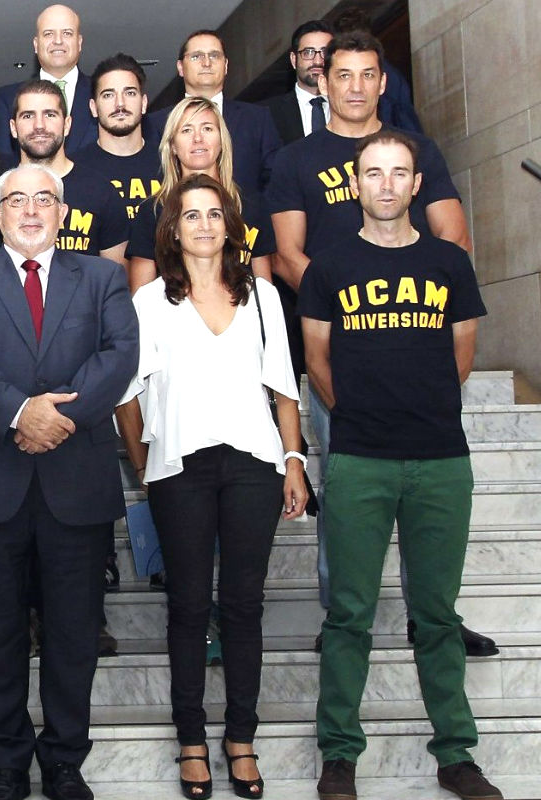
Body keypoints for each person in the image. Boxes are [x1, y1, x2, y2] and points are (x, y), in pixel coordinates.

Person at [265, 31, 496, 658]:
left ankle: (433, 618)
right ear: (322, 81)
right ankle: (344, 620)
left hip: (418, 346)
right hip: (340, 347)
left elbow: (452, 240)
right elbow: (287, 255)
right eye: (343, 75)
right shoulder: (295, 161)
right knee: (343, 495)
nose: (357, 86)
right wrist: (345, 301)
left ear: (382, 82)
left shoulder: (417, 152)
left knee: (432, 504)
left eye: (369, 74)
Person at [300, 129, 502, 800]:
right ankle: (339, 753)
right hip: (360, 459)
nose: (386, 183)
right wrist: (360, 418)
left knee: (438, 614)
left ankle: (455, 753)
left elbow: (462, 356)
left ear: (417, 184)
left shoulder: (450, 263)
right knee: (350, 613)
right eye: (374, 172)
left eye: (399, 173)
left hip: (442, 459)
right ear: (357, 184)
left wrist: (424, 411)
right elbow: (319, 361)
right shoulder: (328, 267)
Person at [0, 162, 136, 800]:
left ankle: (66, 760)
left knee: (74, 633)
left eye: (44, 199)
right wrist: (21, 413)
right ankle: (8, 763)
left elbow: (120, 355)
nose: (30, 210)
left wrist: (54, 417)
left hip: (75, 481)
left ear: (64, 212)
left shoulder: (101, 277)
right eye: (16, 199)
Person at [115, 174, 307, 800]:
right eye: (190, 215)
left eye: (214, 214)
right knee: (190, 606)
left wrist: (294, 459)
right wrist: (144, 460)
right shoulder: (149, 302)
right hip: (180, 471)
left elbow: (282, 385)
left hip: (255, 464)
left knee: (245, 606)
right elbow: (128, 394)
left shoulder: (263, 297)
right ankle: (192, 739)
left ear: (231, 225)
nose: (203, 225)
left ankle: (242, 738)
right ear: (171, 229)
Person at [0, 80, 130, 267]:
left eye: (50, 115)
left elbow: (116, 282)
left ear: (67, 124)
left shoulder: (102, 193)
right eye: (28, 116)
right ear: (13, 127)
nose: (39, 125)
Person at [126, 96, 276, 291]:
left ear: (222, 141)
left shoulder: (251, 206)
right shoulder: (153, 211)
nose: (198, 138)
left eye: (207, 128)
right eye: (187, 130)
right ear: (172, 145)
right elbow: (140, 302)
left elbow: (264, 291)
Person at [145, 30, 280, 197]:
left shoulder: (257, 119)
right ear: (180, 67)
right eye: (196, 56)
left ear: (226, 65)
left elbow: (276, 181)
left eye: (214, 55)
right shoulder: (156, 123)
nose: (207, 62)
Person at [0, 5, 98, 158]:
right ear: (36, 44)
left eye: (67, 33)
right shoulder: (6, 99)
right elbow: (2, 165)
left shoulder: (102, 93)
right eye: (48, 34)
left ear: (79, 42)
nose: (58, 41)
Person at [72, 53, 161, 223]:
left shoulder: (170, 165)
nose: (120, 104)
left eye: (130, 93)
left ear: (143, 103)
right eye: (108, 95)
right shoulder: (74, 169)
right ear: (93, 107)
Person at [266, 20, 335, 146]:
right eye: (308, 52)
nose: (318, 61)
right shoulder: (266, 114)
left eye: (325, 52)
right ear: (294, 60)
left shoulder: (351, 106)